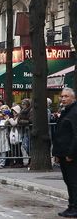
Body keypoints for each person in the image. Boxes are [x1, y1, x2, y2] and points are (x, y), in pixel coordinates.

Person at [52, 88, 77, 218]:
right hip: (63, 153)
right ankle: (71, 205)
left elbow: (75, 135)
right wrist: (57, 153)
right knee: (68, 181)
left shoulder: (74, 112)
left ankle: (74, 207)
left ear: (73, 98)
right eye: (62, 96)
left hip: (70, 155)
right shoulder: (66, 111)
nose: (63, 99)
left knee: (73, 181)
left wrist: (71, 153)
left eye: (66, 96)